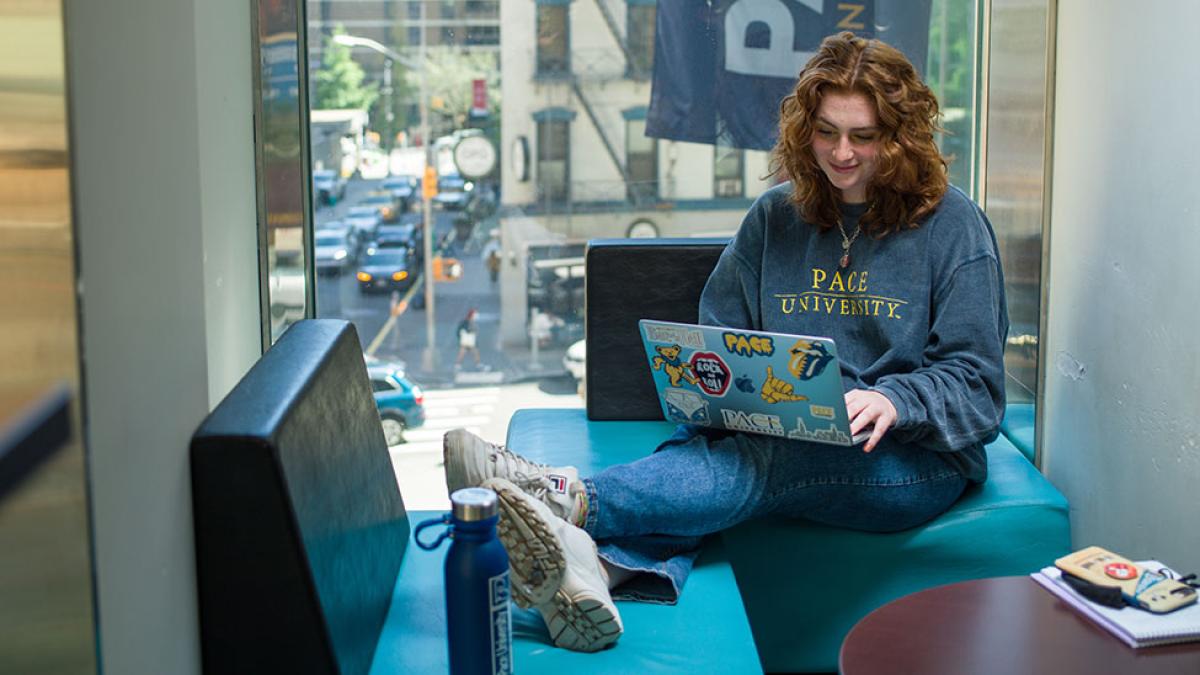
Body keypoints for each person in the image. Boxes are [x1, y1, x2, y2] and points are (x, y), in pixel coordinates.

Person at [443, 32, 1007, 653]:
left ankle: (569, 499)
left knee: (762, 463)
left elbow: (977, 384)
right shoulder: (775, 218)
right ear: (803, 130)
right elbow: (719, 343)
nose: (841, 153)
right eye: (826, 132)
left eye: (864, 137)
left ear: (899, 136)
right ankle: (595, 572)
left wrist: (895, 400)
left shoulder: (952, 225)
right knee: (715, 446)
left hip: (910, 457)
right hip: (781, 430)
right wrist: (713, 390)